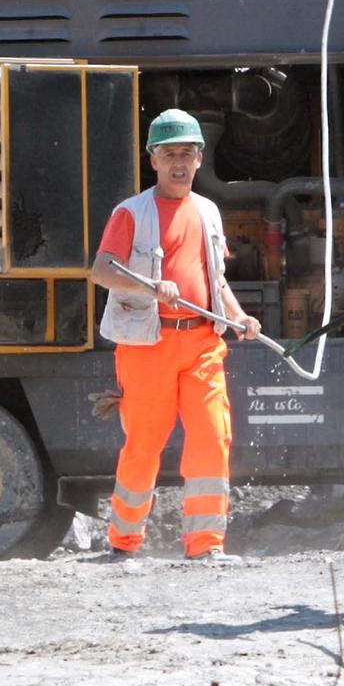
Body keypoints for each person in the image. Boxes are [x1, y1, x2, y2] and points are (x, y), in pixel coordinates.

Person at [88, 109, 261, 560]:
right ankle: (123, 544)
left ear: (200, 159)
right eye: (170, 154)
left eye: (187, 153)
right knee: (143, 444)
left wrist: (241, 317)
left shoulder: (207, 211)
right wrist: (150, 286)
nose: (179, 162)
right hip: (149, 345)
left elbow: (215, 278)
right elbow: (102, 271)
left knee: (212, 436)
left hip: (203, 341)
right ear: (154, 161)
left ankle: (205, 547)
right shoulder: (131, 213)